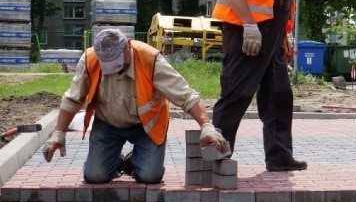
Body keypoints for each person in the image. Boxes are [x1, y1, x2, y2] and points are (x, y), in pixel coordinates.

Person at [41, 28, 229, 183]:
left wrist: (206, 126)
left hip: (146, 127)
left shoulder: (149, 59)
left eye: (118, 63)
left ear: (128, 45)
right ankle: (113, 161)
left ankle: (134, 161)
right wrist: (59, 132)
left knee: (150, 176)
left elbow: (186, 96)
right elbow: (73, 99)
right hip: (108, 125)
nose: (116, 69)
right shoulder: (90, 59)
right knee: (95, 176)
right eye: (109, 65)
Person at [211, 0, 307, 172]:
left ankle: (279, 157)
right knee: (236, 95)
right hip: (248, 35)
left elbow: (280, 2)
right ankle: (217, 155)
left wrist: (284, 38)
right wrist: (249, 26)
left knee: (279, 96)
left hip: (271, 40)